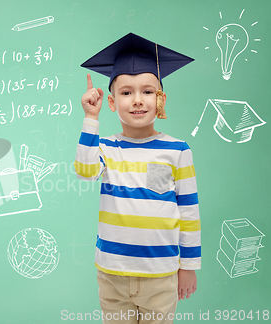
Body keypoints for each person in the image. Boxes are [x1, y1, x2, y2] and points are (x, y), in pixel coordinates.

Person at [75, 33, 201, 324]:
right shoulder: (105, 147)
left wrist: (189, 266)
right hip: (112, 272)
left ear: (161, 99)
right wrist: (90, 119)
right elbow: (84, 172)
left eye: (147, 91)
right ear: (111, 101)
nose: (137, 101)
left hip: (160, 274)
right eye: (126, 92)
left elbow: (189, 211)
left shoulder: (177, 151)